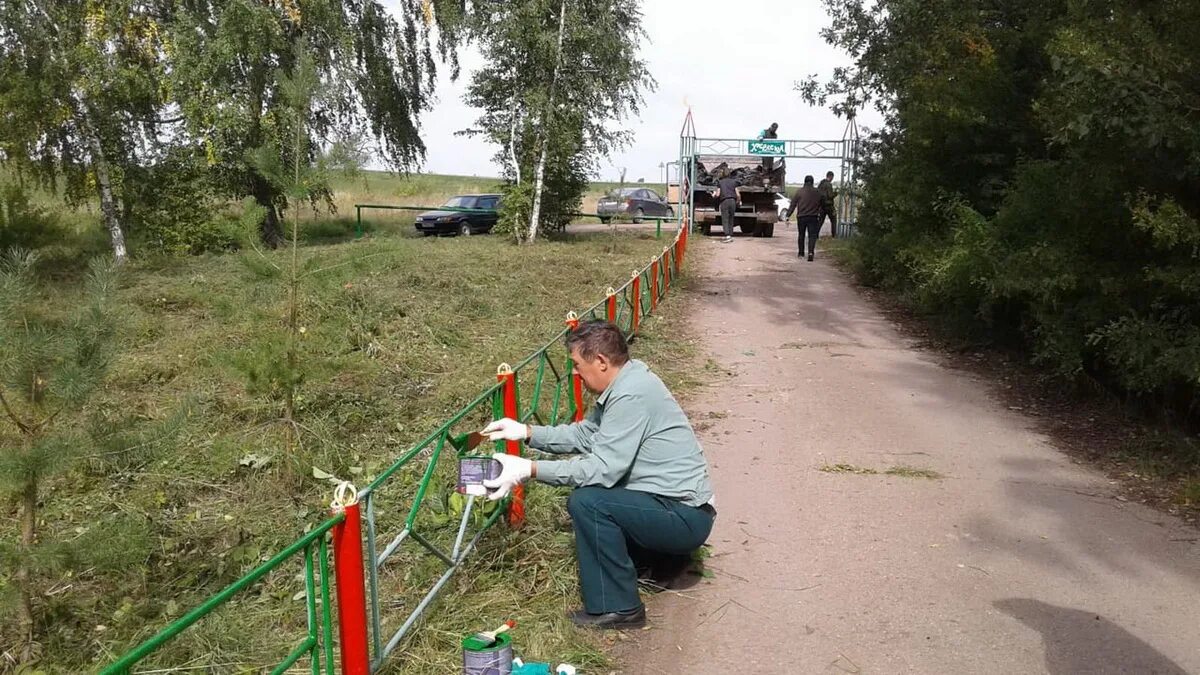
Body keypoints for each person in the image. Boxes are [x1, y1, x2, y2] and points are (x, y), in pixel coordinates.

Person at [480, 321, 716, 629]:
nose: (575, 373)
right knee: (601, 497)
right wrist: (527, 432)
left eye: (577, 365)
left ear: (601, 362)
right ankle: (660, 561)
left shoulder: (631, 396)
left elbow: (601, 470)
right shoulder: (627, 382)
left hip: (685, 517)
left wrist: (529, 469)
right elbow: (585, 436)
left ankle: (619, 607)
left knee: (589, 502)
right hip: (677, 507)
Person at [785, 175, 824, 261]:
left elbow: (793, 205)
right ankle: (810, 252)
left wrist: (788, 215)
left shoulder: (799, 192)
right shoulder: (818, 192)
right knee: (812, 236)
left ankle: (801, 253)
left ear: (804, 182)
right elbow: (823, 204)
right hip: (813, 217)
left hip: (801, 217)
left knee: (801, 235)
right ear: (812, 182)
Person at [714, 169, 740, 243]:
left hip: (724, 201)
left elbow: (718, 194)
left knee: (725, 219)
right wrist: (738, 201)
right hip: (733, 201)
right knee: (731, 218)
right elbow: (738, 194)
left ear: (723, 175)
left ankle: (727, 236)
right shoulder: (734, 182)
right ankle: (730, 235)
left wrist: (714, 195)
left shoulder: (720, 182)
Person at [818, 171, 838, 239]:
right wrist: (835, 193)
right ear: (831, 176)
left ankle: (815, 235)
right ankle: (834, 235)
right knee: (834, 219)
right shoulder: (828, 184)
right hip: (829, 206)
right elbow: (830, 195)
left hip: (821, 206)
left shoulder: (821, 184)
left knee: (820, 221)